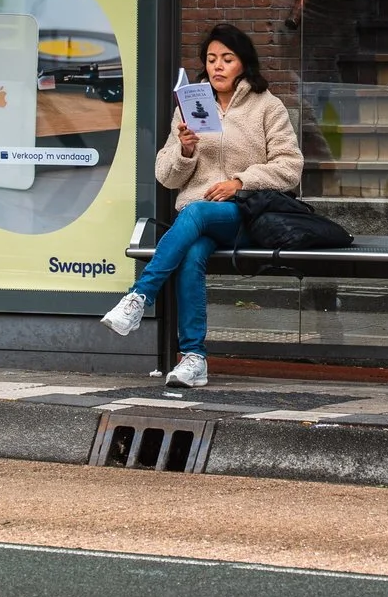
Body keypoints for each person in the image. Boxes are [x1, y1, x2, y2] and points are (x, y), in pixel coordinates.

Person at [100, 23, 302, 389]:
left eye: (227, 59)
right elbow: (165, 175)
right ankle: (194, 358)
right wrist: (186, 150)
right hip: (197, 221)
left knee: (192, 212)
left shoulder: (267, 107)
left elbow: (290, 166)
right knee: (191, 255)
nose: (218, 67)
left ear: (244, 64)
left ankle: (139, 296)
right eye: (211, 60)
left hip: (245, 212)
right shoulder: (191, 103)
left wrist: (239, 182)